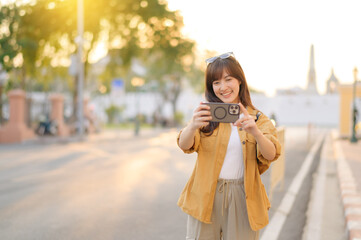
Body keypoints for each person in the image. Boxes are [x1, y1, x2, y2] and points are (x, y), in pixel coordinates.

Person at [176, 52, 281, 240]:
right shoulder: (206, 116)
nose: (223, 87)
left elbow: (271, 153)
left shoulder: (257, 118)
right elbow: (185, 145)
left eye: (228, 79)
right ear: (211, 87)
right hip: (205, 194)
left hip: (243, 196)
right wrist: (192, 125)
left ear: (240, 81)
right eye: (216, 82)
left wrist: (255, 132)